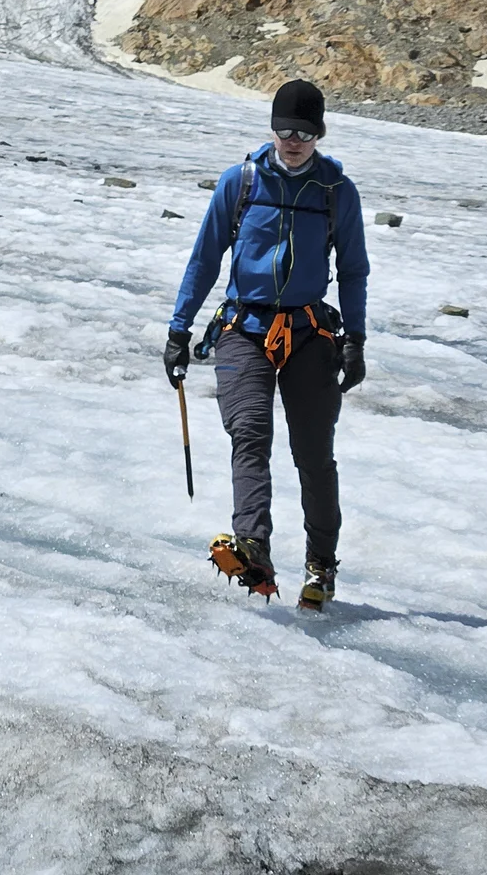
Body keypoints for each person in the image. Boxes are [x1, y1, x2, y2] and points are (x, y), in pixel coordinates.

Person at [164, 79, 368, 611]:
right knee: (249, 434)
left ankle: (321, 565)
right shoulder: (242, 183)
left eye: (303, 131)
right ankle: (253, 546)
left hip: (310, 333)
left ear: (318, 133)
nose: (292, 140)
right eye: (283, 129)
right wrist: (178, 330)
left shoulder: (335, 192)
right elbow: (205, 259)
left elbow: (352, 270)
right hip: (244, 330)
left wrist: (357, 340)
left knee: (313, 456)